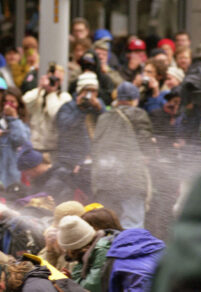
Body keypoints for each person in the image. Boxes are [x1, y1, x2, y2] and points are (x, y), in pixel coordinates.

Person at [92, 82, 155, 229]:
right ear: (134, 99)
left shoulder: (103, 118)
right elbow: (146, 147)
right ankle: (129, 251)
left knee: (107, 225)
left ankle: (107, 252)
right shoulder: (138, 115)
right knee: (132, 224)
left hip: (104, 180)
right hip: (130, 180)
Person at [56, 72, 105, 193]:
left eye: (93, 91)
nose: (90, 95)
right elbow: (65, 126)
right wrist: (80, 110)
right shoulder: (68, 107)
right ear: (79, 91)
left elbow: (108, 123)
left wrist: (99, 108)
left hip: (93, 161)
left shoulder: (99, 105)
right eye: (87, 91)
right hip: (71, 161)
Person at [57, 215, 118, 292]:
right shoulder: (88, 252)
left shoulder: (102, 250)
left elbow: (92, 287)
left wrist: (69, 284)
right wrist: (71, 280)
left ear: (74, 248)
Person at [23, 64, 71, 157]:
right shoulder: (37, 93)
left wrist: (51, 93)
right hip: (34, 146)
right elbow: (24, 104)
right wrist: (40, 88)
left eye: (58, 80)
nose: (54, 82)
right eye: (52, 78)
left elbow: (56, 115)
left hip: (52, 149)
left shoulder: (65, 97)